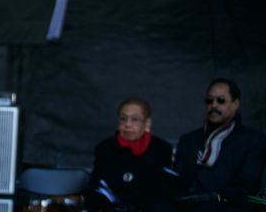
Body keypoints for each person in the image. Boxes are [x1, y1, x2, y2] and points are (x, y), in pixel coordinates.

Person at [174, 78, 266, 211]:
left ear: (235, 104)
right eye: (209, 100)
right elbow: (178, 180)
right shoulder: (188, 140)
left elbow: (246, 184)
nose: (214, 105)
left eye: (221, 100)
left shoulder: (253, 140)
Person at [85, 97, 177, 212]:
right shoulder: (105, 148)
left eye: (135, 119)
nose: (127, 124)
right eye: (123, 119)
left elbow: (163, 191)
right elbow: (95, 186)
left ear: (147, 123)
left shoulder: (161, 149)